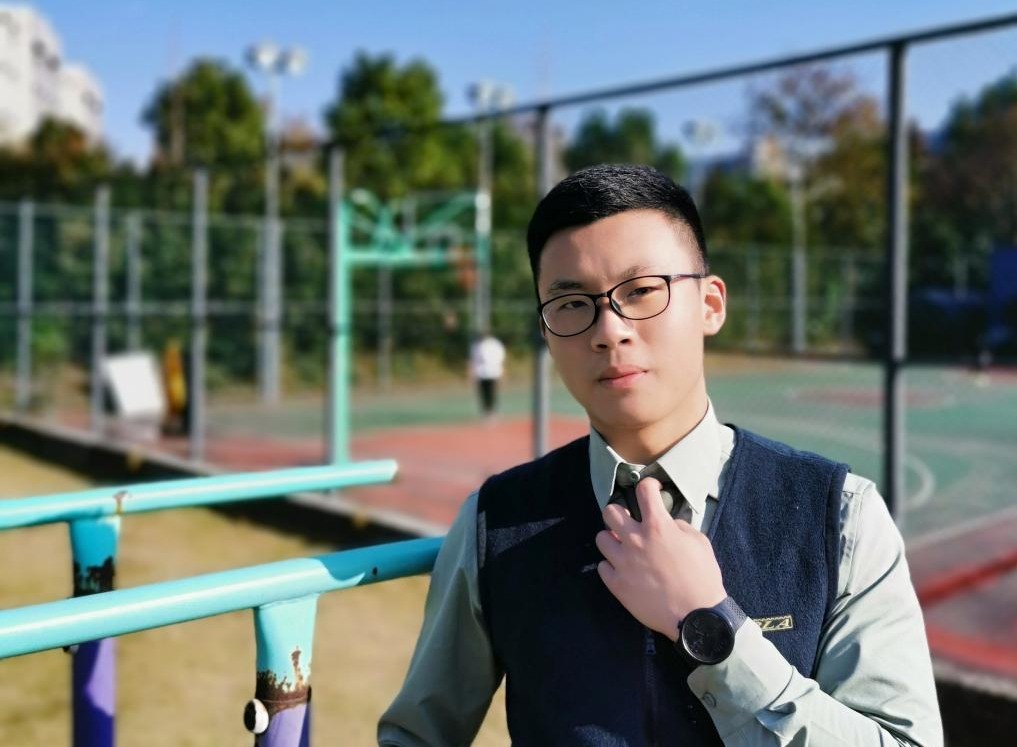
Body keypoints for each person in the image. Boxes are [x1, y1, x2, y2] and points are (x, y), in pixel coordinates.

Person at [378, 164, 942, 746]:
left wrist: (711, 627)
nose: (609, 329)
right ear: (545, 330)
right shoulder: (493, 522)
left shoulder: (840, 517)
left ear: (710, 304)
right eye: (571, 303)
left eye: (642, 290)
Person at [469, 331, 506, 421]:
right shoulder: (477, 345)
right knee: (483, 393)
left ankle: (492, 411)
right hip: (481, 373)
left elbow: (500, 358)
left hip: (493, 372)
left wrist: (502, 372)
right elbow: (474, 360)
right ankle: (485, 411)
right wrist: (472, 373)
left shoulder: (495, 344)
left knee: (492, 392)